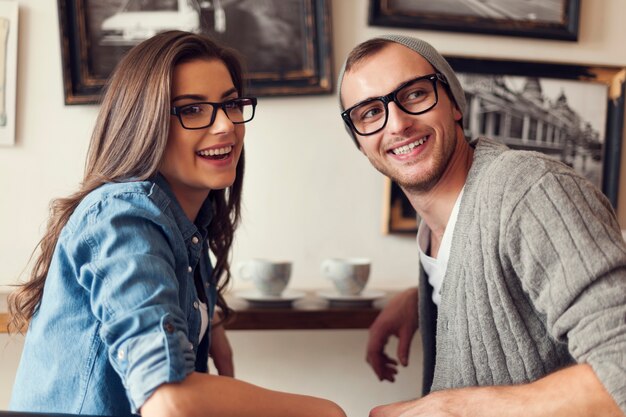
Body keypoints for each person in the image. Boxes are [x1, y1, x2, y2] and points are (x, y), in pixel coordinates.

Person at [9, 30, 345, 417]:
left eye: (230, 104)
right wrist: (326, 411)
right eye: (191, 109)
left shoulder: (185, 221)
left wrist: (207, 318)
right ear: (144, 123)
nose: (225, 127)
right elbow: (168, 401)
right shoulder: (123, 216)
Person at [338, 34, 626, 417]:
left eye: (415, 95)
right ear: (360, 142)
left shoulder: (529, 188)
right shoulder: (440, 230)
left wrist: (454, 409)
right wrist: (419, 296)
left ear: (455, 104)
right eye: (370, 113)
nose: (398, 124)